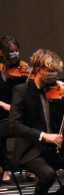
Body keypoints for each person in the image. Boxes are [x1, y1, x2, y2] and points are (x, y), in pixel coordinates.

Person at [8, 49, 64, 195]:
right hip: (31, 150)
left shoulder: (57, 92)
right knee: (48, 175)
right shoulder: (21, 91)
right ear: (38, 70)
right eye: (51, 71)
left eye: (56, 71)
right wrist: (43, 135)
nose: (55, 75)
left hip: (53, 149)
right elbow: (14, 125)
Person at [0, 35, 31, 183]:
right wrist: (3, 104)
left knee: (33, 120)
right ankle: (2, 168)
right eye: (10, 51)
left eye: (16, 51)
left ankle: (30, 163)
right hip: (1, 112)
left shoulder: (23, 69)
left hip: (19, 112)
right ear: (1, 53)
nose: (14, 54)